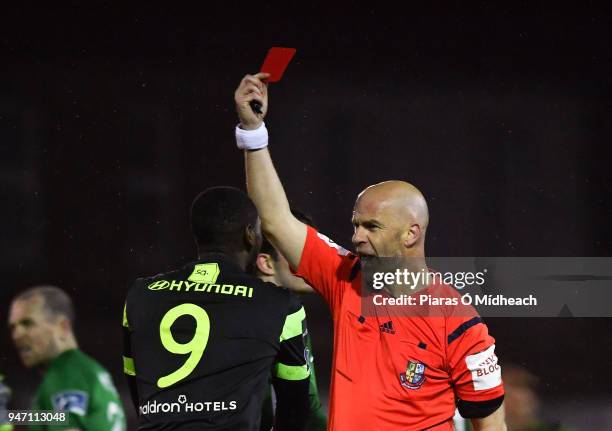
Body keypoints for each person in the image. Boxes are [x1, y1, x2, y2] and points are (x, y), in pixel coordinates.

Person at [233, 73, 507, 430]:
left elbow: (491, 425)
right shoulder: (345, 277)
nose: (356, 236)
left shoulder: (460, 325)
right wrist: (253, 132)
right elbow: (274, 220)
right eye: (355, 224)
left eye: (371, 227)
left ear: (411, 234)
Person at [122, 186, 311, 430]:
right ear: (250, 235)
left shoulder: (140, 295)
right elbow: (295, 409)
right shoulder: (282, 305)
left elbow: (138, 390)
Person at [8, 286, 126, 431]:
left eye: (27, 323)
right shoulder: (86, 370)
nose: (17, 334)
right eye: (13, 327)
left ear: (62, 327)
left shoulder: (65, 373)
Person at [254, 210, 327, 431]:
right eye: (298, 251)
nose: (314, 260)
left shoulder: (289, 308)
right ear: (266, 264)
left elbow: (309, 404)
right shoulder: (265, 317)